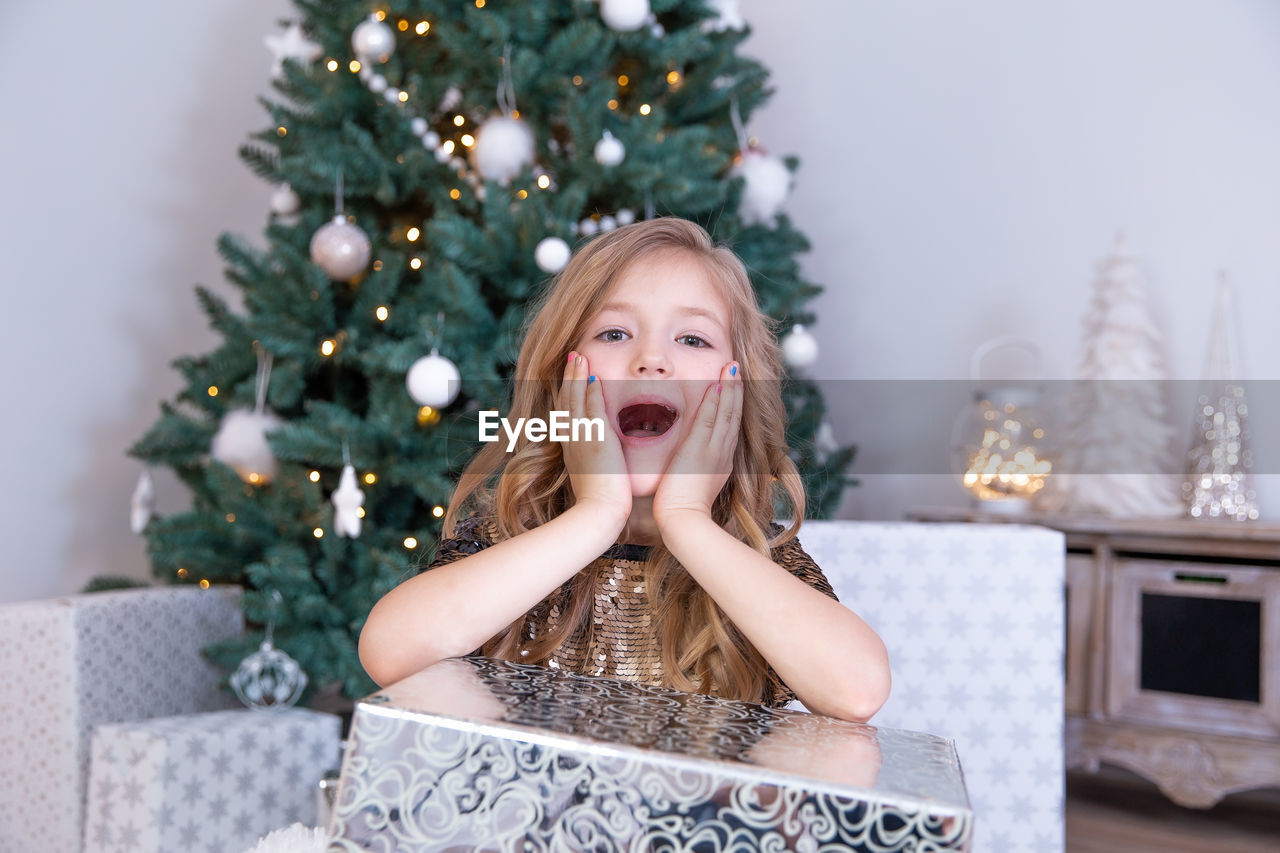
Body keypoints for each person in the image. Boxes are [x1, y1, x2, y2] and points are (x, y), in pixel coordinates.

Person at [359, 217, 890, 723]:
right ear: (561, 382)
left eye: (693, 339)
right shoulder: (511, 537)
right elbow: (389, 651)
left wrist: (687, 519)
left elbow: (859, 689)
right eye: (614, 334)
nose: (651, 360)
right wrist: (597, 515)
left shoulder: (757, 556)